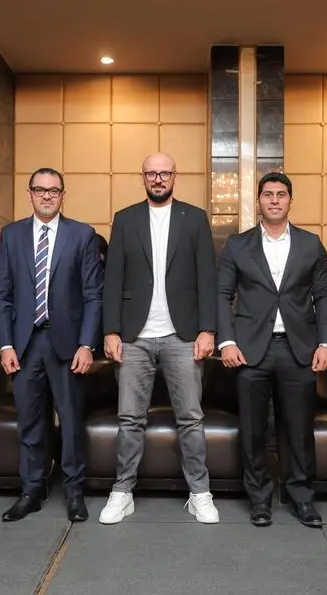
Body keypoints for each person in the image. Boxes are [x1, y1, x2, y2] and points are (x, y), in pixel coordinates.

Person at [98, 152, 220, 525]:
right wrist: (111, 330)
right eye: (151, 173)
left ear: (174, 176)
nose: (158, 178)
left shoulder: (194, 218)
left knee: (191, 418)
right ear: (143, 177)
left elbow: (208, 278)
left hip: (182, 336)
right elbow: (113, 278)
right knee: (129, 419)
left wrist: (208, 329)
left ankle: (200, 493)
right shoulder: (125, 219)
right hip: (134, 336)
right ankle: (122, 492)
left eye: (164, 173)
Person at [216, 172, 327, 528]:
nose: (274, 200)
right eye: (268, 195)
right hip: (250, 350)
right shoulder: (238, 245)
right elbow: (222, 294)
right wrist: (227, 341)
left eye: (281, 195)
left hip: (299, 348)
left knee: (299, 430)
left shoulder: (311, 244)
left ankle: (302, 498)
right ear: (259, 201)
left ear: (290, 201)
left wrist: (326, 342)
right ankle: (259, 500)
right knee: (253, 430)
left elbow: (324, 295)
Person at [0, 167, 103, 523]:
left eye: (53, 190)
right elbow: (2, 295)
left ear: (62, 195)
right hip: (25, 345)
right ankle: (31, 490)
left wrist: (87, 344)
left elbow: (93, 295)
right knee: (30, 422)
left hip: (68, 345)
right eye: (39, 190)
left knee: (71, 422)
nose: (46, 196)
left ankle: (74, 492)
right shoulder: (11, 235)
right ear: (29, 194)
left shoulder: (82, 235)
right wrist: (5, 345)